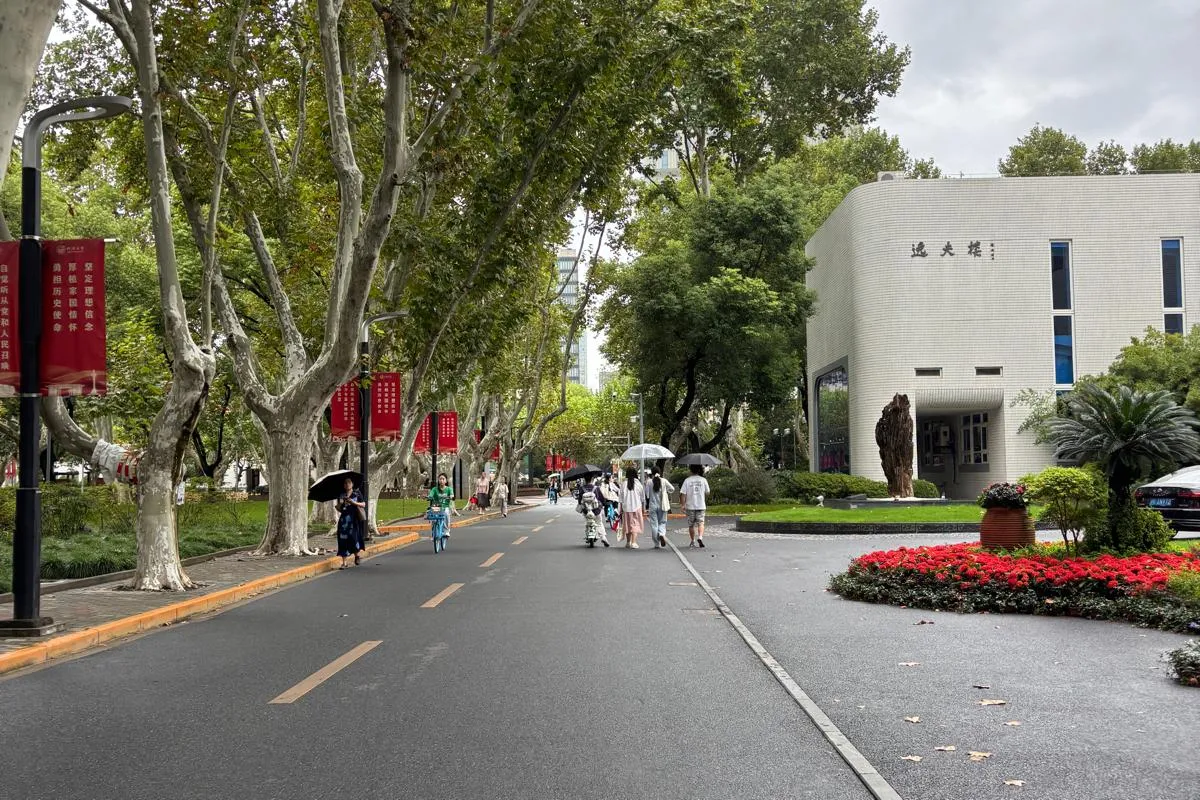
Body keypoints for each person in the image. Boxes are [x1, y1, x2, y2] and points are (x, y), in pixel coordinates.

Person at [335, 477, 366, 568]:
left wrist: (353, 502)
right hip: (344, 521)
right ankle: (344, 562)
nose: (347, 484)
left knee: (353, 538)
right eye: (345, 483)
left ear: (352, 484)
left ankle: (356, 555)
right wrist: (342, 503)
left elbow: (363, 504)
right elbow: (339, 508)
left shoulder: (357, 493)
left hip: (354, 520)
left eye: (349, 483)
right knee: (342, 540)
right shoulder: (341, 495)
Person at [679, 464, 711, 548]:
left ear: (691, 470)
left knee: (691, 525)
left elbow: (683, 494)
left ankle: (692, 541)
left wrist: (682, 505)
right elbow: (708, 492)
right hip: (701, 505)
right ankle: (700, 537)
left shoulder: (687, 480)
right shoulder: (703, 480)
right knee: (701, 523)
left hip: (690, 506)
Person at [617, 467, 646, 549]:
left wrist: (620, 509)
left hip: (626, 508)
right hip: (637, 507)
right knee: (635, 524)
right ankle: (634, 542)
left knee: (627, 525)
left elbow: (620, 498)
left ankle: (628, 542)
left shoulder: (623, 484)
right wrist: (643, 508)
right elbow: (642, 498)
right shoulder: (638, 484)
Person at [646, 470, 676, 549]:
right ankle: (662, 534)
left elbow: (647, 494)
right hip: (663, 505)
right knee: (662, 522)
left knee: (654, 525)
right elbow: (672, 489)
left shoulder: (649, 482)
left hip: (652, 506)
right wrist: (666, 491)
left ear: (652, 473)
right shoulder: (664, 481)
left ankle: (656, 543)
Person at [427, 472, 455, 549]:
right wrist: (429, 497)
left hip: (445, 506)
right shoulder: (435, 489)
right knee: (432, 516)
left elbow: (452, 495)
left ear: (446, 481)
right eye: (440, 479)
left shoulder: (449, 489)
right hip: (436, 506)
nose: (441, 480)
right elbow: (431, 494)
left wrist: (451, 497)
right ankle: (433, 534)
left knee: (446, 513)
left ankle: (446, 531)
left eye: (443, 479)